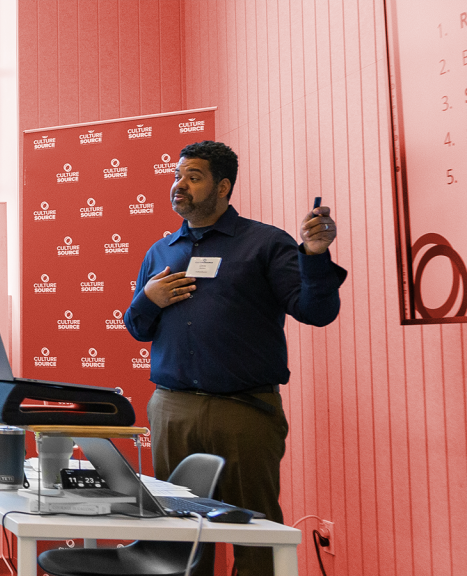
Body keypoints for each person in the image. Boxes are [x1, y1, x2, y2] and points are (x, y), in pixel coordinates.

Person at [123, 141, 347, 576]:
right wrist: (148, 299)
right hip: (173, 410)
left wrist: (315, 256)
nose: (179, 186)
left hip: (244, 411)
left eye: (193, 177)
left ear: (223, 186)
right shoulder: (161, 251)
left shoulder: (264, 243)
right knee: (178, 535)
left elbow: (316, 311)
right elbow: (137, 327)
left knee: (253, 532)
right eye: (177, 176)